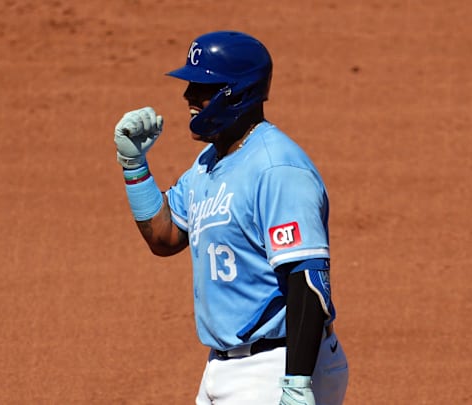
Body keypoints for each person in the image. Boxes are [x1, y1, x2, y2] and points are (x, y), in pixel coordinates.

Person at [113, 30, 349, 405]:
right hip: (223, 368)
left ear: (237, 92)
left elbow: (307, 278)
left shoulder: (277, 169)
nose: (189, 97)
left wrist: (297, 383)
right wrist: (134, 167)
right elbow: (164, 237)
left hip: (277, 367)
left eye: (202, 86)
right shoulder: (207, 165)